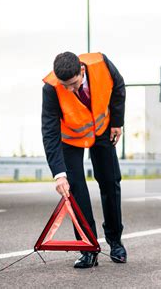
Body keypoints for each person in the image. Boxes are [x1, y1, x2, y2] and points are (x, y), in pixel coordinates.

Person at [41, 51, 126, 268]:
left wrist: (117, 122)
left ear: (81, 71)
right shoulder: (51, 88)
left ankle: (115, 241)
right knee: (75, 188)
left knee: (110, 182)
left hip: (102, 129)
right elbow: (50, 130)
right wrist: (59, 174)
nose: (69, 89)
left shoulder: (101, 63)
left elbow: (118, 87)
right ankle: (88, 248)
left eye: (73, 83)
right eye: (64, 85)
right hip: (70, 138)